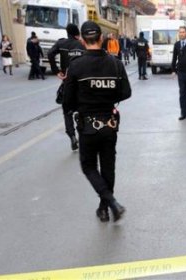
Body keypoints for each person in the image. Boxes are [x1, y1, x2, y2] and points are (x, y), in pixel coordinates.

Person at [63, 21, 131, 223]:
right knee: (108, 167)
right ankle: (106, 207)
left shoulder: (76, 66)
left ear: (83, 40)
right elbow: (126, 92)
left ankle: (110, 203)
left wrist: (82, 103)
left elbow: (67, 102)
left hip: (88, 127)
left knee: (88, 166)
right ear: (101, 39)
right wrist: (109, 98)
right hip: (109, 124)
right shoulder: (115, 63)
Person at [48, 23, 85, 151]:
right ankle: (81, 131)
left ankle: (72, 136)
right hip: (81, 84)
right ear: (77, 34)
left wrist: (56, 71)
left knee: (67, 111)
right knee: (82, 109)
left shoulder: (61, 44)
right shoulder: (82, 45)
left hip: (67, 82)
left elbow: (50, 54)